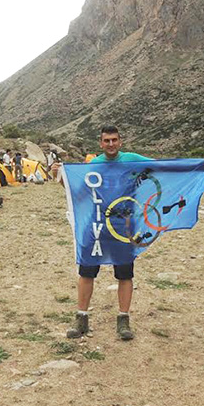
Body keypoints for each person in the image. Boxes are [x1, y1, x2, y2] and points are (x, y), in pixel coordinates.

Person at [63, 125, 151, 341]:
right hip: (96, 226)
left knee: (125, 273)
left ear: (120, 141)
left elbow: (163, 167)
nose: (110, 144)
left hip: (123, 228)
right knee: (86, 271)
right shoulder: (94, 164)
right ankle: (81, 319)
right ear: (100, 143)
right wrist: (63, 177)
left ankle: (123, 321)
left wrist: (199, 167)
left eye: (114, 140)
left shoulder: (132, 159)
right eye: (106, 141)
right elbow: (81, 192)